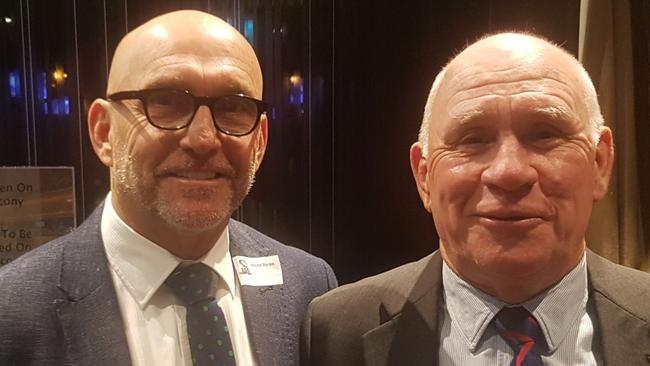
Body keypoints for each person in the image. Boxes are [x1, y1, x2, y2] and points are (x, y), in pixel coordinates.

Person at [0, 10, 336, 366]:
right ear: (104, 132)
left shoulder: (309, 289)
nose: (203, 139)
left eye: (234, 107)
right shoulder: (11, 314)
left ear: (260, 142)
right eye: (166, 102)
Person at [301, 32, 650, 366]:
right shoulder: (337, 331)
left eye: (545, 134)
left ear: (600, 164)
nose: (509, 172)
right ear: (424, 176)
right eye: (471, 139)